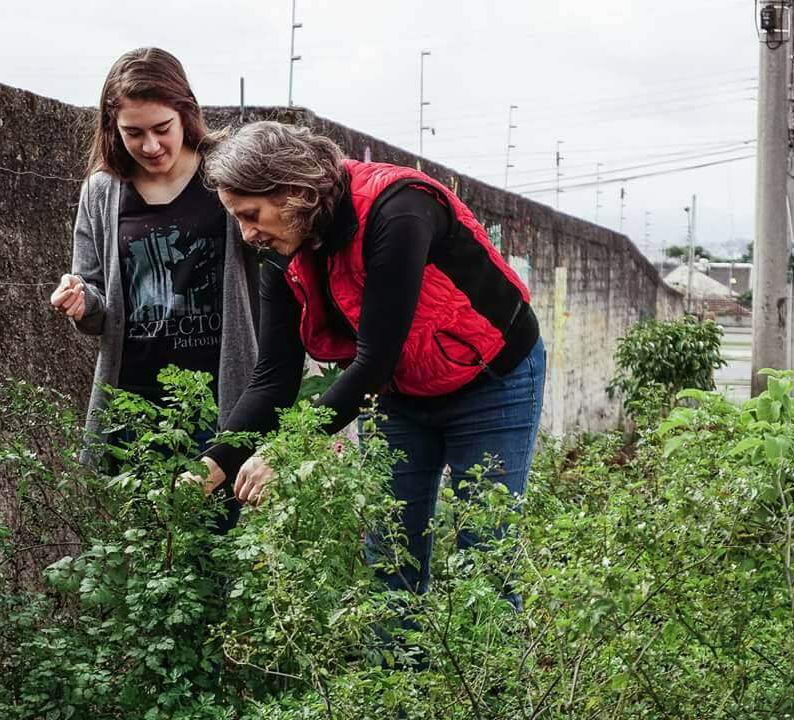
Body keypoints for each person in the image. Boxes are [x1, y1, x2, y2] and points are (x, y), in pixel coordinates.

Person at [197, 121, 546, 596]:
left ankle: (486, 671)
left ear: (295, 192)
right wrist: (213, 464)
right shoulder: (282, 248)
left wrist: (284, 451)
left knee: (485, 554)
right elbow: (273, 376)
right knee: (390, 557)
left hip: (492, 379)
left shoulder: (396, 210)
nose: (246, 232)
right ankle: (404, 670)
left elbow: (374, 362)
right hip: (399, 393)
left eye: (251, 213)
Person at [49, 48, 259, 532]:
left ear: (186, 112)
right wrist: (82, 302)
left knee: (220, 550)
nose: (150, 145)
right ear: (112, 127)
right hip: (134, 407)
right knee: (139, 556)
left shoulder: (225, 173)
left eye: (161, 128)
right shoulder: (102, 190)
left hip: (220, 399)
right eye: (133, 132)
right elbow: (98, 298)